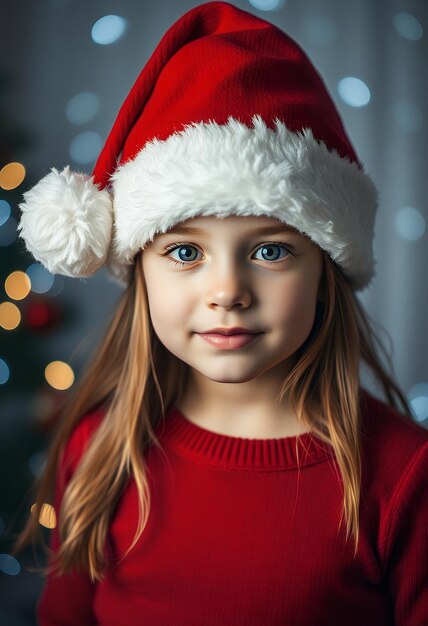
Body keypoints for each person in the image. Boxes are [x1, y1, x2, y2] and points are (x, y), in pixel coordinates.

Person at [13, 2, 428, 625]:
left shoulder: (402, 475)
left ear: (325, 273)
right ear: (140, 272)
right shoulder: (99, 451)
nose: (228, 290)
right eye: (185, 251)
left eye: (270, 250)